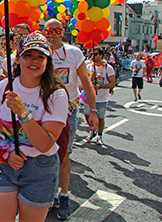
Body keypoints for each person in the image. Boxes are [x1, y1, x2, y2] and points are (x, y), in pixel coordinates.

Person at [0, 32, 69, 222]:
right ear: (19, 58)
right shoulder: (5, 87)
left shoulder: (56, 95)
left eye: (41, 56)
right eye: (28, 55)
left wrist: (22, 112)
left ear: (48, 61)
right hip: (5, 167)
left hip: (40, 170)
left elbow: (45, 144)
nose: (34, 61)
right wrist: (5, 152)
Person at [43, 18, 98, 221]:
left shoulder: (74, 53)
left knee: (63, 156)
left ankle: (64, 195)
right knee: (45, 154)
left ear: (63, 32)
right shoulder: (41, 51)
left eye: (56, 30)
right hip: (44, 110)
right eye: (48, 31)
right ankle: (50, 196)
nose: (52, 34)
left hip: (68, 110)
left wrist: (93, 110)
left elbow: (85, 81)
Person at [83, 48, 115, 145]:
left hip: (102, 98)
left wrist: (100, 86)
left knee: (100, 117)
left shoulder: (108, 68)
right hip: (89, 96)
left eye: (95, 54)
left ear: (101, 55)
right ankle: (92, 131)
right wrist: (91, 78)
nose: (93, 56)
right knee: (87, 114)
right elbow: (84, 82)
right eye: (91, 54)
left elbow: (112, 83)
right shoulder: (89, 67)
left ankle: (99, 136)